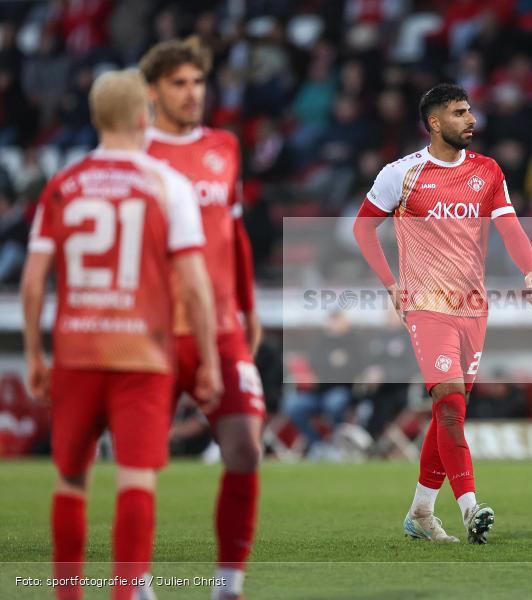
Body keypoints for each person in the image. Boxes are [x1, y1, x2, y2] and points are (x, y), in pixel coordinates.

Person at [20, 69, 220, 600]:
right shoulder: (167, 185)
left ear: (95, 116)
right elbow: (195, 286)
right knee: (136, 479)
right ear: (142, 116)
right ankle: (126, 593)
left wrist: (35, 354)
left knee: (71, 480)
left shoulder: (63, 184)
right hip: (142, 355)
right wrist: (209, 359)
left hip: (77, 352)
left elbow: (33, 282)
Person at [353, 83, 532, 544]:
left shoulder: (487, 170)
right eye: (460, 113)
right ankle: (470, 508)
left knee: (448, 411)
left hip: (473, 308)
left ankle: (421, 511)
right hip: (426, 305)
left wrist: (531, 269)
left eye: (470, 111)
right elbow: (363, 228)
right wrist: (392, 285)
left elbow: (509, 225)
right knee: (452, 406)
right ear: (435, 123)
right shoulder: (401, 174)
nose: (471, 119)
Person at [139, 39, 264, 599]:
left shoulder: (224, 146)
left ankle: (228, 585)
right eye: (178, 83)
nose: (192, 93)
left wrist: (249, 305)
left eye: (198, 82)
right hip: (155, 331)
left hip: (222, 327)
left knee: (245, 447)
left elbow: (233, 232)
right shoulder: (138, 153)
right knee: (142, 461)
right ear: (153, 91)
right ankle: (136, 584)